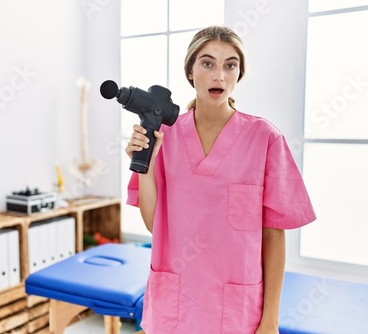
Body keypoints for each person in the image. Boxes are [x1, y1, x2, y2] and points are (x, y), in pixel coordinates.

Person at [125, 26, 316, 334]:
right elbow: (153, 224)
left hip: (236, 310)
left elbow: (273, 236)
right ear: (190, 71)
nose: (219, 76)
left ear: (239, 74)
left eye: (230, 65)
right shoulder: (164, 134)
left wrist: (270, 319)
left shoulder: (264, 138)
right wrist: (143, 164)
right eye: (208, 63)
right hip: (174, 305)